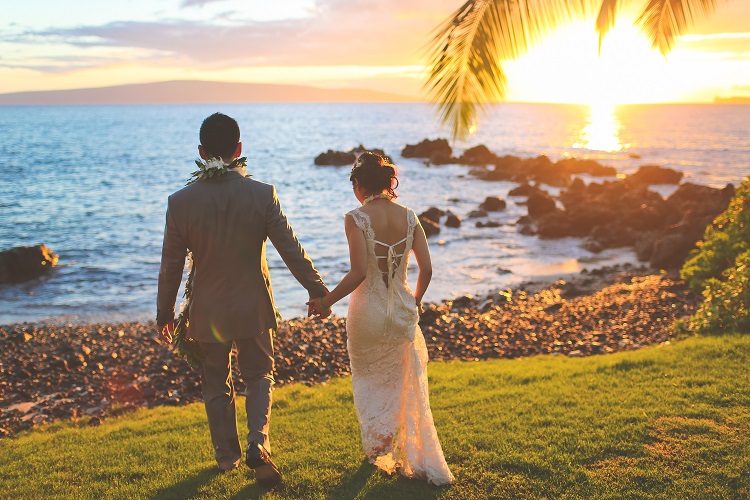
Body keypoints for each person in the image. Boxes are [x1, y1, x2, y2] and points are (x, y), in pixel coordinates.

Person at [157, 112, 328, 488]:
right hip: (252, 304)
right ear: (239, 149)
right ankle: (258, 442)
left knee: (216, 382)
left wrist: (164, 313)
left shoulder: (180, 201)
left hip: (208, 309)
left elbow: (171, 264)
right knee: (259, 374)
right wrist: (318, 291)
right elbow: (290, 249)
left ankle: (226, 458)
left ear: (202, 153)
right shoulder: (261, 194)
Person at [307, 152, 454, 485]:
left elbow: (359, 272)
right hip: (402, 311)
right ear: (389, 182)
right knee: (401, 381)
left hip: (367, 314)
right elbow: (427, 269)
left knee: (369, 380)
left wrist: (326, 300)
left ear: (359, 185)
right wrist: (414, 301)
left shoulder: (356, 218)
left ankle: (379, 447)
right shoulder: (410, 216)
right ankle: (399, 449)